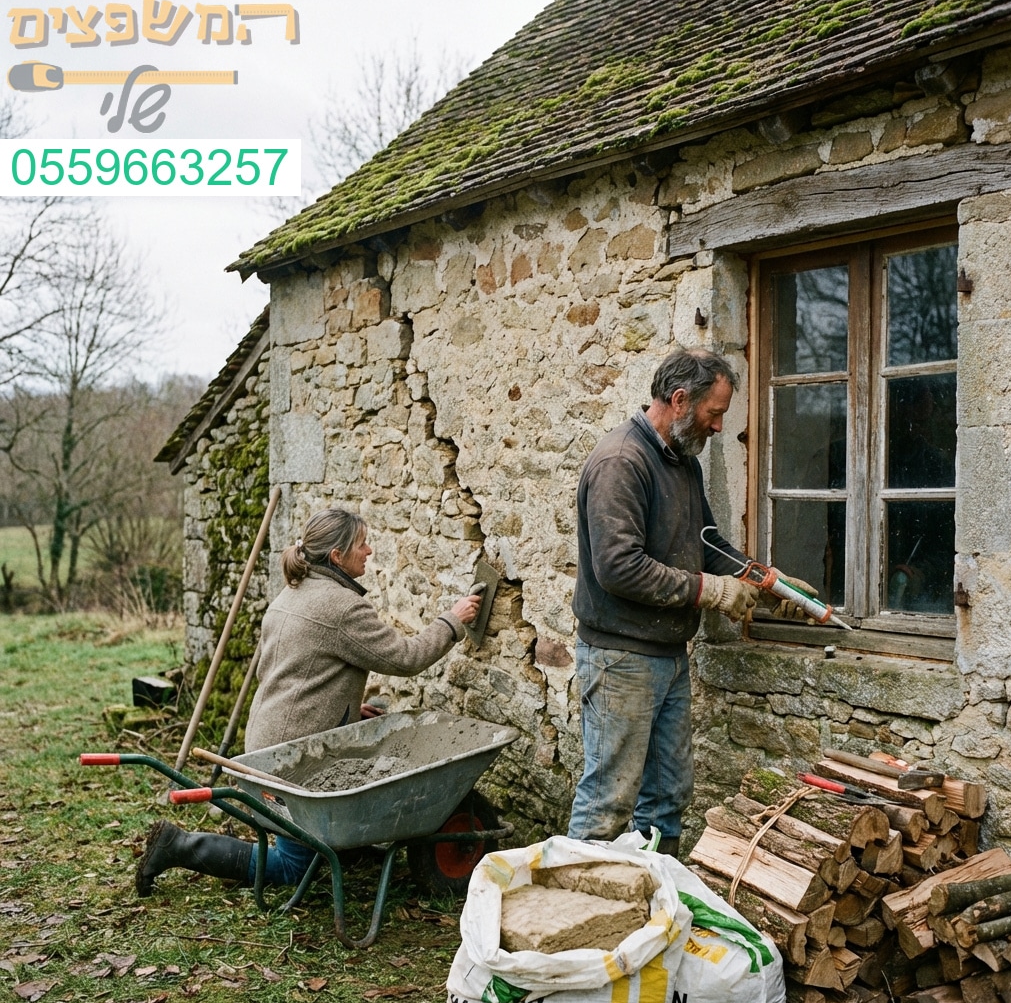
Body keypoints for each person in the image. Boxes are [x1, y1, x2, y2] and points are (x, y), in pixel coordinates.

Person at [135, 507, 481, 896]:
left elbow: (295, 673)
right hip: (292, 757)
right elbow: (405, 659)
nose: (369, 551)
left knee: (369, 732)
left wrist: (344, 708)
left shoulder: (292, 593)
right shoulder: (342, 606)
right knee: (291, 868)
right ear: (337, 555)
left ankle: (345, 843)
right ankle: (178, 845)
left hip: (267, 737)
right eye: (362, 544)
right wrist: (452, 620)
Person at [567, 347, 816, 859]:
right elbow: (618, 568)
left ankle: (655, 895)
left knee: (667, 798)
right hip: (619, 658)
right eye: (714, 413)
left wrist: (767, 581)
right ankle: (572, 904)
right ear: (680, 400)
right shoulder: (622, 462)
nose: (720, 426)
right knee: (607, 801)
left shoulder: (682, 462)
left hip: (666, 654)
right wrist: (712, 590)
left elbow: (708, 543)